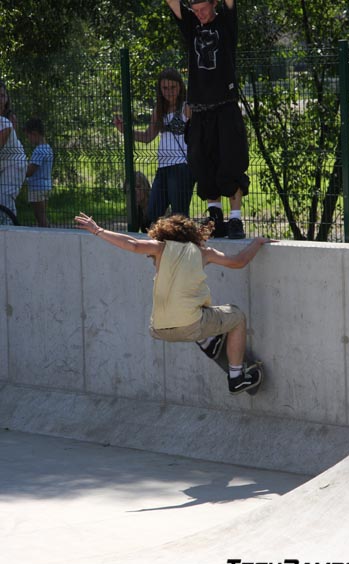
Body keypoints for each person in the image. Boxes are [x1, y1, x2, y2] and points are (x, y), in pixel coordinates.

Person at [74, 212, 275, 394]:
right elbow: (238, 262)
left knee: (191, 300)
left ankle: (209, 342)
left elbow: (133, 244)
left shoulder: (160, 248)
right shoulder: (204, 252)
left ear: (163, 233)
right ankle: (236, 377)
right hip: (191, 325)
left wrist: (98, 230)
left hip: (158, 329)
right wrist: (256, 242)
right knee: (236, 316)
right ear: (192, 234)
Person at [165, 0, 249, 240]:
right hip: (200, 111)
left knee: (231, 163)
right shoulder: (191, 25)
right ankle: (215, 217)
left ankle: (235, 220)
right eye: (196, 10)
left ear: (214, 4)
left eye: (204, 9)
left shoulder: (226, 22)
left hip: (225, 107)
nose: (200, 14)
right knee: (202, 164)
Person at [114, 68, 195, 226]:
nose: (169, 92)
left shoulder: (187, 107)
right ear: (160, 89)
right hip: (163, 167)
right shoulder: (159, 110)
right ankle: (166, 242)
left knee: (180, 214)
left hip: (181, 166)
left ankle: (184, 244)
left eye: (173, 87)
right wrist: (126, 131)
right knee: (152, 213)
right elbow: (147, 137)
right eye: (165, 88)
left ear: (180, 87)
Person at [0, 81, 27, 225]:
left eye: (3, 96)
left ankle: (12, 230)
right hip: (2, 162)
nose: (1, 100)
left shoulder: (7, 121)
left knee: (3, 197)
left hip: (14, 163)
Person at [24, 117, 53, 227]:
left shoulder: (39, 150)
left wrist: (19, 171)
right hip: (46, 185)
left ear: (34, 133)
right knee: (42, 215)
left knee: (40, 216)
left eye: (28, 136)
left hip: (37, 187)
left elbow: (30, 171)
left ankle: (47, 236)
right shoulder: (47, 148)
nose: (28, 139)